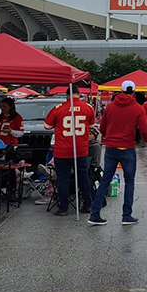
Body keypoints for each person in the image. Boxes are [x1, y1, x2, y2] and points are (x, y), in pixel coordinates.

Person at [89, 80, 147, 226]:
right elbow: (145, 130)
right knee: (129, 181)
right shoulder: (138, 108)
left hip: (111, 147)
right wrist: (144, 140)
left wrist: (109, 136)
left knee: (105, 180)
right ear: (133, 92)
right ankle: (126, 215)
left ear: (120, 91)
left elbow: (102, 128)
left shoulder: (110, 107)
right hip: (127, 147)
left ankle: (95, 213)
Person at [43, 86, 95, 216]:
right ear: (79, 93)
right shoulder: (88, 108)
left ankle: (63, 207)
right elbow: (92, 125)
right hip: (80, 149)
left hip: (62, 149)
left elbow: (47, 126)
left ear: (66, 95)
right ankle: (87, 204)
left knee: (63, 179)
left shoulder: (58, 108)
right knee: (83, 177)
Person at [0, 98, 24, 198]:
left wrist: (11, 131)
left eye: (4, 106)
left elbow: (21, 133)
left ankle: (11, 192)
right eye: (1, 106)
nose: (2, 108)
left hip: (10, 147)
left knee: (10, 169)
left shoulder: (17, 118)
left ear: (10, 107)